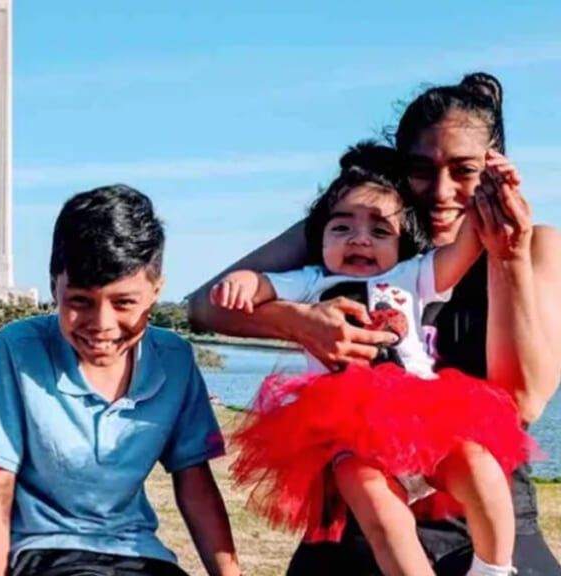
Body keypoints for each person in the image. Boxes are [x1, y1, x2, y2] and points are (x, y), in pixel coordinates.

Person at [188, 72, 561, 574]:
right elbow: (203, 306)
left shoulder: (536, 245)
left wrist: (506, 258)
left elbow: (522, 400)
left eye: (465, 170)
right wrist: (300, 321)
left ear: (495, 167)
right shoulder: (358, 227)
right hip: (364, 511)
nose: (443, 191)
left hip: (480, 515)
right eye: (421, 170)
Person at [0, 184, 240, 576]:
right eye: (79, 301)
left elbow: (195, 484)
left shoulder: (175, 359)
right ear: (54, 286)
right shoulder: (17, 349)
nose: (102, 325)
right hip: (47, 554)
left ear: (155, 292)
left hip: (140, 555)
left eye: (124, 302)